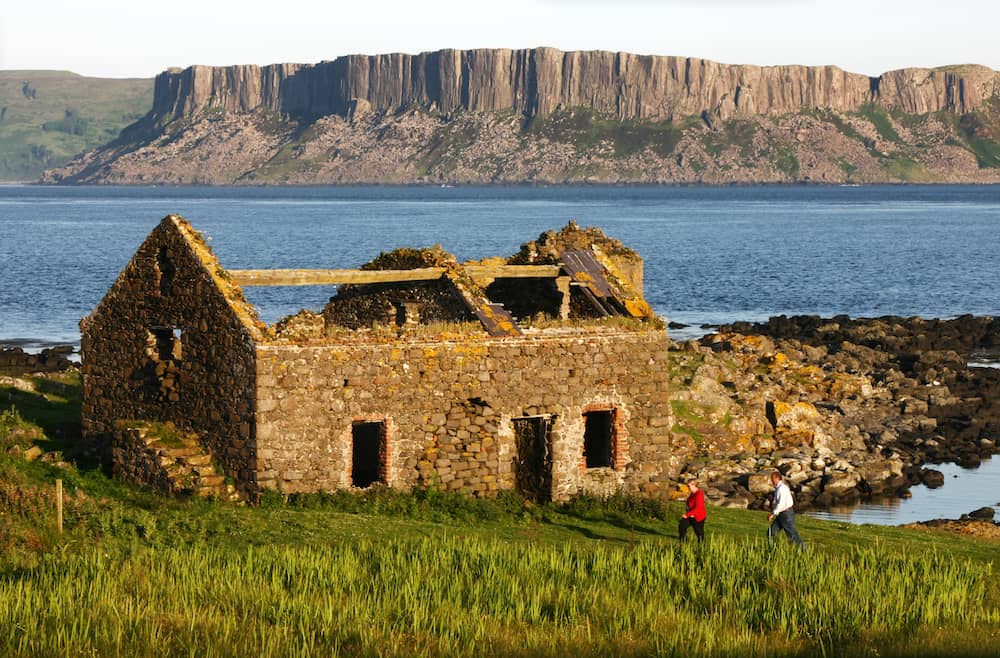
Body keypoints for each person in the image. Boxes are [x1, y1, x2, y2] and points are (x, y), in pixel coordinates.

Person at [768, 471, 804, 548]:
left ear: (777, 478)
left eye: (772, 478)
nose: (771, 480)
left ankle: (804, 551)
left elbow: (781, 503)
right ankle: (774, 549)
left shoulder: (781, 489)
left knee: (792, 535)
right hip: (781, 514)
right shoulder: (779, 488)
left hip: (786, 515)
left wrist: (773, 514)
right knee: (771, 532)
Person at [678, 478, 706, 543]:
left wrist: (687, 515)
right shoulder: (692, 493)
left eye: (689, 486)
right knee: (682, 525)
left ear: (694, 485)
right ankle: (684, 542)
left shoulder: (699, 494)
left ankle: (701, 546)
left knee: (699, 533)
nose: (688, 487)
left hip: (698, 517)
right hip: (690, 515)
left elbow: (698, 508)